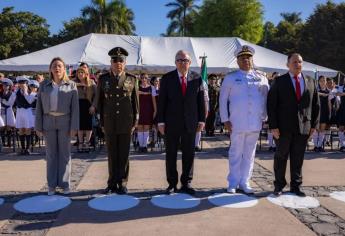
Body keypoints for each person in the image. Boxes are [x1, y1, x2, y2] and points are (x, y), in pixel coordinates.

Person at [267, 53, 320, 197]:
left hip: (303, 127)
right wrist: (273, 126)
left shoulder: (310, 81)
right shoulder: (279, 81)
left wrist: (314, 125)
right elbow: (271, 105)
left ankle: (296, 186)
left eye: (300, 62)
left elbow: (316, 105)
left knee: (298, 158)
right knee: (281, 156)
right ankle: (279, 185)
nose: (298, 64)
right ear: (287, 64)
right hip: (283, 127)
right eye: (295, 62)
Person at [219, 45, 269, 194]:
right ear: (237, 61)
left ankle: (245, 181)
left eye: (248, 57)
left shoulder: (261, 77)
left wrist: (265, 117)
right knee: (235, 152)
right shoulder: (231, 78)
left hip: (255, 121)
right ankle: (233, 182)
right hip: (236, 122)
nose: (246, 60)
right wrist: (225, 119)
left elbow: (266, 98)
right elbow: (222, 100)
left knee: (249, 154)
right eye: (242, 58)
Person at [91, 47, 139, 195]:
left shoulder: (132, 79)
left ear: (125, 62)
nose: (118, 63)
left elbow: (135, 103)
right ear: (110, 62)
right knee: (112, 154)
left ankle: (123, 183)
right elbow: (99, 101)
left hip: (126, 122)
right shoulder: (103, 79)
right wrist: (101, 122)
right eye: (115, 60)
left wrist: (135, 122)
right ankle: (112, 183)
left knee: (124, 154)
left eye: (121, 60)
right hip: (109, 122)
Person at [157, 50, 205, 195]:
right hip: (171, 123)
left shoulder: (197, 78)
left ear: (190, 63)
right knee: (171, 154)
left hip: (190, 123)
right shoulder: (166, 78)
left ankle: (187, 182)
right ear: (175, 62)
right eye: (179, 60)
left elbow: (200, 101)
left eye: (185, 60)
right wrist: (160, 122)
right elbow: (162, 103)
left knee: (189, 154)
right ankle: (172, 183)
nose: (182, 63)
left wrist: (202, 119)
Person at [35, 57, 79, 195]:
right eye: (54, 66)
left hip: (65, 122)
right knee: (51, 155)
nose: (57, 68)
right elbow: (39, 108)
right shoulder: (44, 85)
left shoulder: (71, 85)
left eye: (60, 66)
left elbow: (75, 109)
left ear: (64, 68)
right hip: (48, 122)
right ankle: (52, 185)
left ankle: (65, 184)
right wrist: (38, 126)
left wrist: (74, 127)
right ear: (50, 69)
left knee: (65, 154)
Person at [75, 67, 97, 151]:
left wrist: (93, 106)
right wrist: (80, 84)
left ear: (86, 74)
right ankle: (80, 143)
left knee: (88, 125)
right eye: (79, 72)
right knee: (80, 125)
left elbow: (96, 95)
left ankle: (87, 143)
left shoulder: (91, 82)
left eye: (82, 72)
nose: (80, 74)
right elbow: (68, 84)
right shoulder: (74, 82)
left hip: (89, 105)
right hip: (78, 105)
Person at [15, 76, 36, 155]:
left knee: (28, 130)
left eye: (23, 83)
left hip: (28, 112)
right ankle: (22, 148)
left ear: (26, 83)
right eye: (20, 83)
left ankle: (28, 148)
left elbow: (30, 101)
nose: (21, 84)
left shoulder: (31, 92)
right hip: (20, 112)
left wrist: (25, 93)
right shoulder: (17, 92)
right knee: (21, 130)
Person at [137, 73, 156, 152]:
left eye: (145, 78)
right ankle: (141, 146)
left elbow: (154, 100)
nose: (144, 79)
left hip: (148, 109)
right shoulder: (137, 87)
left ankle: (144, 146)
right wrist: (144, 93)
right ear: (140, 79)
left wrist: (155, 110)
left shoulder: (152, 88)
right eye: (142, 77)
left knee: (147, 128)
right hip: (139, 109)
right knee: (140, 127)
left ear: (148, 79)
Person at [312, 76, 330, 152]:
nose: (323, 82)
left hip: (325, 112)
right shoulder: (315, 90)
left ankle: (319, 146)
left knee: (322, 130)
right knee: (316, 129)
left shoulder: (329, 91)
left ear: (326, 82)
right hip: (316, 112)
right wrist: (322, 94)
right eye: (321, 81)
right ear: (318, 82)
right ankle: (315, 146)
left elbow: (329, 104)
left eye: (324, 81)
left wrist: (330, 113)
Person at [0, 78, 16, 147]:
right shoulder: (0, 93)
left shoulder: (12, 94)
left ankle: (9, 142)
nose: (5, 87)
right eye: (4, 85)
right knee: (2, 127)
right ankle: (3, 142)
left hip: (9, 110)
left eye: (7, 86)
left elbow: (10, 103)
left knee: (9, 127)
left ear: (9, 86)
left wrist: (3, 101)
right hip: (2, 111)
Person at [336, 81, 345, 151]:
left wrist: (342, 94)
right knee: (341, 128)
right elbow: (337, 93)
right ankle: (342, 146)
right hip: (342, 110)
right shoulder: (341, 87)